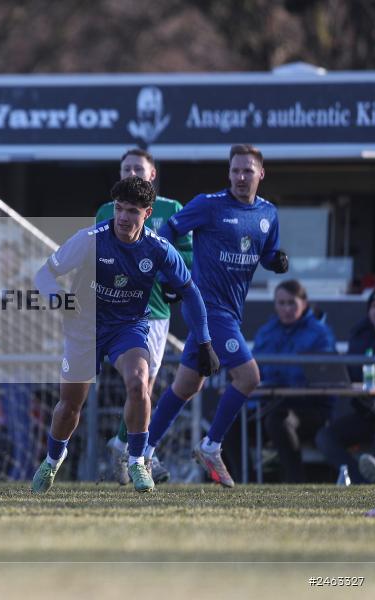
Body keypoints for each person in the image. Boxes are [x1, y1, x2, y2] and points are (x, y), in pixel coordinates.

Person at [31, 176, 219, 494]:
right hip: (84, 328)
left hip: (127, 327)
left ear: (147, 214)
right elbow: (44, 274)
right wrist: (57, 297)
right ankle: (52, 461)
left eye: (132, 211)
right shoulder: (90, 239)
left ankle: (136, 461)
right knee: (69, 407)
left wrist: (204, 342)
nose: (122, 217)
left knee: (138, 383)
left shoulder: (159, 249)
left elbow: (191, 292)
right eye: (119, 209)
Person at [144, 144, 289, 488]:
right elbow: (168, 233)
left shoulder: (268, 213)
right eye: (235, 170)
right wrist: (168, 276)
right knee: (249, 377)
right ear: (229, 173)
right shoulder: (209, 205)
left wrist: (276, 262)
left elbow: (267, 253)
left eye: (248, 171)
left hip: (231, 312)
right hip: (209, 310)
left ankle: (141, 451)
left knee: (186, 386)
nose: (241, 177)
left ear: (260, 174)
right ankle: (211, 445)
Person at [98, 148, 193, 486]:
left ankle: (130, 448)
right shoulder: (107, 212)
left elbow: (187, 256)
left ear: (152, 174)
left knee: (144, 384)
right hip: (116, 309)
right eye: (127, 169)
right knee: (136, 384)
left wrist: (171, 283)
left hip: (155, 311)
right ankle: (136, 451)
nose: (133, 173)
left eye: (139, 168)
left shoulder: (171, 210)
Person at [252, 280, 336, 482]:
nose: (286, 309)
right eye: (281, 303)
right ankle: (242, 482)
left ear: (304, 303)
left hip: (310, 407)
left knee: (278, 422)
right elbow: (254, 371)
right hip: (271, 403)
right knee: (230, 424)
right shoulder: (266, 331)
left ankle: (295, 484)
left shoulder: (320, 333)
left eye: (292, 303)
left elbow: (323, 373)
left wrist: (283, 380)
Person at [316, 287, 375, 484]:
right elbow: (352, 374)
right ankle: (363, 480)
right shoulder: (360, 335)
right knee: (326, 437)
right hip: (367, 412)